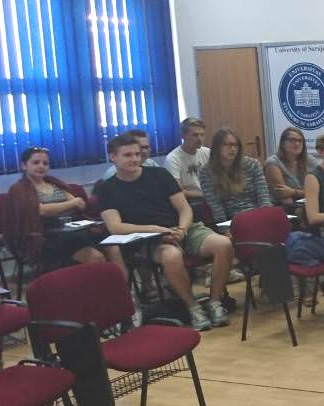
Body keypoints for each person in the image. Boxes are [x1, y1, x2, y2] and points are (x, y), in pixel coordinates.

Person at [97, 133, 235, 332]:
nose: (135, 159)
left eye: (137, 154)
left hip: (182, 228)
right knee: (171, 256)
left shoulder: (159, 175)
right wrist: (154, 230)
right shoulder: (107, 189)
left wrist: (182, 229)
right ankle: (193, 308)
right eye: (127, 155)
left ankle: (214, 302)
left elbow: (184, 209)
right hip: (147, 240)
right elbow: (115, 227)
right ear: (113, 157)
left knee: (223, 244)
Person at [4, 147, 109, 271]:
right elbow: (40, 210)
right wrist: (70, 204)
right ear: (24, 165)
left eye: (45, 163)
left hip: (70, 228)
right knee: (95, 257)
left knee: (109, 240)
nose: (41, 166)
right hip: (44, 235)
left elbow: (80, 204)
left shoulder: (55, 184)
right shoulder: (18, 189)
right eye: (36, 162)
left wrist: (66, 206)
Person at [199, 128, 271, 223]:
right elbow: (215, 206)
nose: (233, 149)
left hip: (258, 215)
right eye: (227, 144)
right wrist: (224, 228)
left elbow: (263, 197)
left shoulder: (253, 164)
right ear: (217, 147)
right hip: (232, 220)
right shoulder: (206, 171)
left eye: (235, 145)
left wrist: (267, 219)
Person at [264, 127, 317, 205]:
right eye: (292, 140)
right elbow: (284, 197)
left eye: (300, 141)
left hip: (309, 202)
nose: (297, 144)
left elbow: (322, 189)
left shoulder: (309, 160)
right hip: (284, 206)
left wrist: (293, 192)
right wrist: (308, 193)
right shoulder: (273, 163)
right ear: (282, 143)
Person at [165, 117, 210, 202]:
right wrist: (205, 194)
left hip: (209, 197)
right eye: (195, 135)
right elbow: (177, 191)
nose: (200, 139)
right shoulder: (173, 159)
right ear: (183, 136)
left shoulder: (207, 152)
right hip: (189, 201)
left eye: (202, 135)